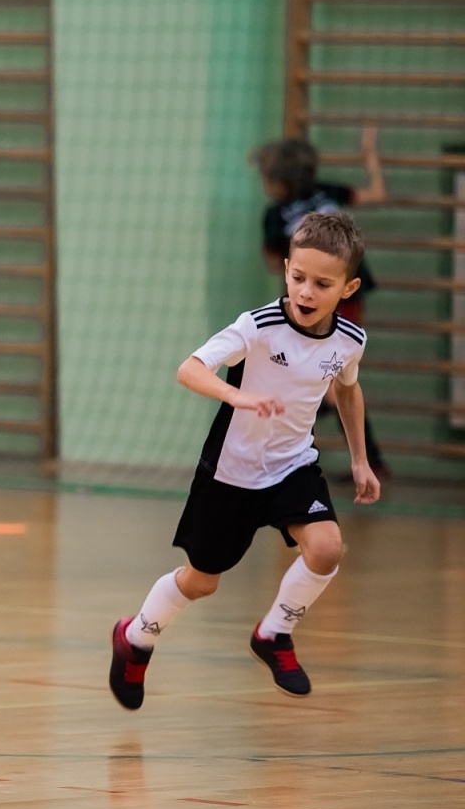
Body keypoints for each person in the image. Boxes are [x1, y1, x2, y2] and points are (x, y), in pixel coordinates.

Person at [109, 211, 380, 711]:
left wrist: (361, 460)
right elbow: (189, 369)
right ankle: (137, 637)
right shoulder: (258, 327)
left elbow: (348, 390)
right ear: (285, 269)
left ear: (348, 287)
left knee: (326, 548)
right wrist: (238, 399)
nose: (306, 291)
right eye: (298, 277)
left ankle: (274, 633)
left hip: (293, 466)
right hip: (231, 473)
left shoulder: (349, 342)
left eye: (322, 283)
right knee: (201, 581)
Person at [255, 126, 387, 476]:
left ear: (280, 182)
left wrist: (294, 262)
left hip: (316, 301)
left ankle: (358, 459)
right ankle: (361, 458)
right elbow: (376, 192)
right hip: (347, 295)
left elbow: (273, 263)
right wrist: (369, 153)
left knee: (330, 380)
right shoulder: (325, 191)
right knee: (328, 377)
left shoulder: (276, 214)